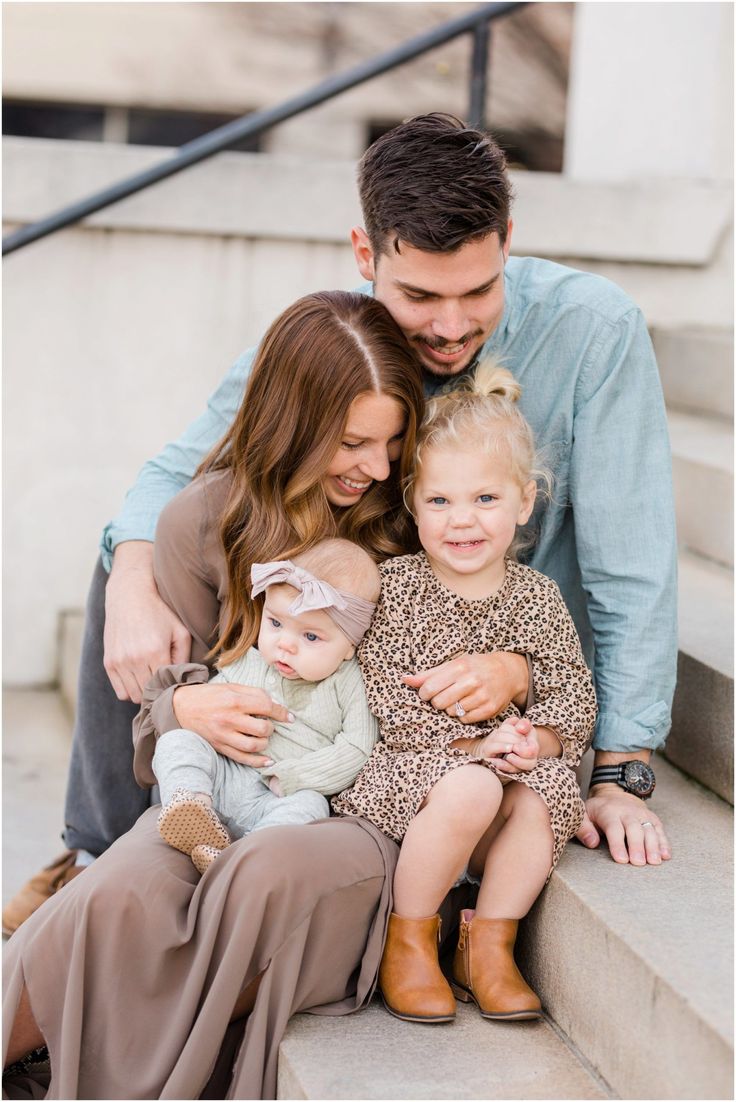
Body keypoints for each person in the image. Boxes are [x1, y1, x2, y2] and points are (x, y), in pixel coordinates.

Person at [5, 116, 674, 906]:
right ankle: (97, 853)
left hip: (490, 658)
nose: (452, 328)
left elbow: (630, 566)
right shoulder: (333, 337)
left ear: (508, 242)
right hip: (349, 631)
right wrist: (130, 578)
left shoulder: (595, 332)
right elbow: (172, 473)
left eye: (479, 291)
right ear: (366, 255)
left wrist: (621, 769)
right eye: (421, 296)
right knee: (134, 555)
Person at [3, 288, 426, 1098]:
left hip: (348, 806)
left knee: (257, 875)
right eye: (352, 442)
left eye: (394, 440)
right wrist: (183, 709)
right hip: (222, 791)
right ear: (293, 425)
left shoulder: (405, 519)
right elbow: (164, 700)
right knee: (119, 886)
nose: (376, 465)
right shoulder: (201, 521)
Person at [333, 363, 596, 1023]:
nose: (463, 522)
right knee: (474, 785)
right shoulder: (396, 587)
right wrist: (477, 747)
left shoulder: (537, 597)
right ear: (413, 504)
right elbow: (385, 704)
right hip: (409, 779)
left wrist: (537, 740)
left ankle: (489, 945)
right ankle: (412, 939)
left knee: (552, 790)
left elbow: (573, 691)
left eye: (486, 499)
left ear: (524, 501)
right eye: (441, 502)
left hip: (507, 778)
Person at [148, 539, 381, 873]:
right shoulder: (250, 662)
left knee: (312, 806)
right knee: (178, 741)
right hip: (224, 776)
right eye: (275, 623)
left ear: (348, 647)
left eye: (311, 637)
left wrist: (292, 777)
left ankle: (240, 856)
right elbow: (210, 713)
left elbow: (358, 748)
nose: (284, 644)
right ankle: (190, 805)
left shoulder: (348, 683)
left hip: (278, 798)